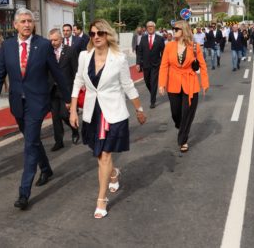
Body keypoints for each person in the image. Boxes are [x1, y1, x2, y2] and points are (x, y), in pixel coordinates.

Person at [0, 8, 71, 210]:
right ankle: (46, 168)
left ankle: (24, 192)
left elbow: (57, 73)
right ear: (15, 25)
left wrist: (69, 98)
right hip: (18, 103)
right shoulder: (7, 47)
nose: (27, 24)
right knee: (31, 140)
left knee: (30, 143)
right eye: (23, 21)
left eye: (30, 21)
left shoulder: (43, 45)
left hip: (37, 102)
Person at [69, 19, 146, 219]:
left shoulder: (118, 58)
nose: (96, 37)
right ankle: (113, 174)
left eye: (100, 33)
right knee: (97, 154)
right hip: (91, 111)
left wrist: (139, 109)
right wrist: (72, 110)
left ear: (107, 35)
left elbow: (128, 85)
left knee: (104, 156)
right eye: (93, 33)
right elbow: (78, 80)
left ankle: (101, 200)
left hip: (112, 112)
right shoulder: (84, 56)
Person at [158, 20, 209, 153]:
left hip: (190, 83)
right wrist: (162, 83)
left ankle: (183, 140)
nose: (173, 31)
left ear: (184, 31)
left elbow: (202, 65)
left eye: (176, 29)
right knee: (176, 113)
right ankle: (181, 126)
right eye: (173, 29)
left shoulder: (194, 47)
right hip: (173, 84)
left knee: (187, 113)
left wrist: (204, 83)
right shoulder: (169, 46)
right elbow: (164, 65)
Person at [48, 28, 80, 151]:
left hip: (67, 89)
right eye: (51, 40)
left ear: (61, 39)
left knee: (64, 114)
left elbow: (75, 70)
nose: (53, 43)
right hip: (52, 89)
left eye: (55, 40)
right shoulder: (48, 52)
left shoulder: (70, 51)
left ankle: (75, 130)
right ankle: (59, 141)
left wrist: (75, 89)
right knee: (55, 117)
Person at [136, 21, 165, 109]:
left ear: (154, 27)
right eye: (148, 26)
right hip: (145, 64)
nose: (150, 28)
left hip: (156, 64)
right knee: (147, 81)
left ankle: (153, 101)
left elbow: (163, 52)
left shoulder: (160, 39)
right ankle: (153, 92)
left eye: (151, 26)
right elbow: (139, 52)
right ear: (146, 28)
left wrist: (163, 62)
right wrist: (138, 63)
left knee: (153, 82)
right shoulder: (143, 38)